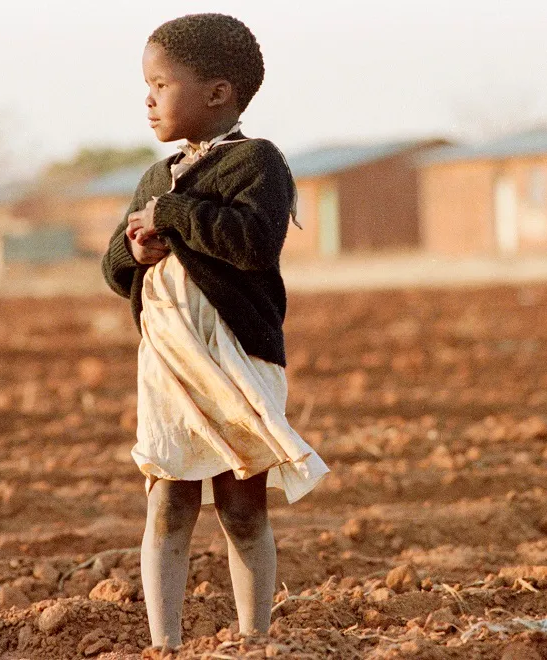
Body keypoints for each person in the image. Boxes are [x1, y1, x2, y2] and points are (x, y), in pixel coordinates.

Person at [100, 13, 329, 651]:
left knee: (240, 504)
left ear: (217, 93)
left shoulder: (258, 163)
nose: (147, 99)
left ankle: (254, 638)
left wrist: (172, 214)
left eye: (160, 84)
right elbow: (114, 267)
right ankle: (164, 644)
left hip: (236, 358)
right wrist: (135, 254)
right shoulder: (154, 177)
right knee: (168, 502)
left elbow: (253, 244)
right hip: (168, 362)